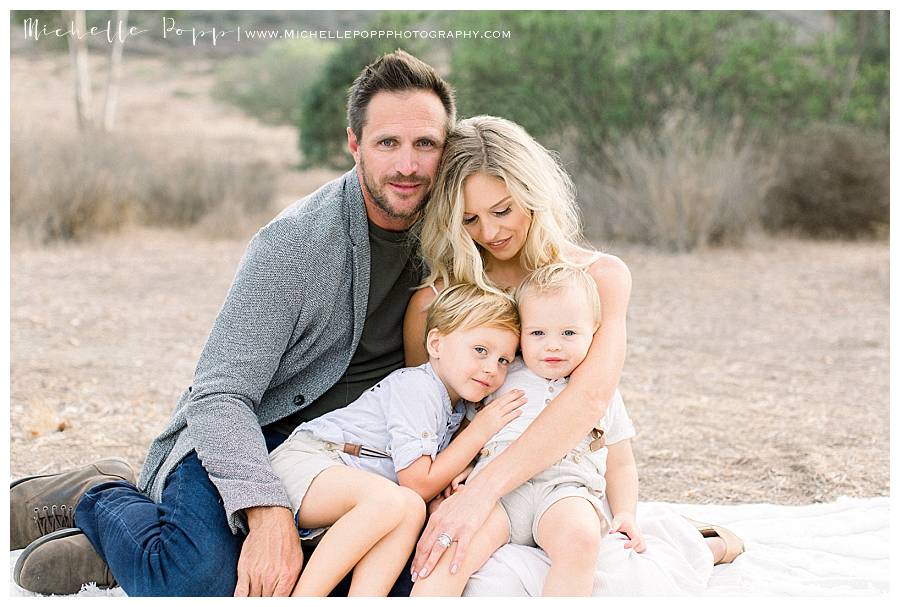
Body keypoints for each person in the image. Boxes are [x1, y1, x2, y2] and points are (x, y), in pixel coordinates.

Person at [11, 49, 456, 597]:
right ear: (354, 143)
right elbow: (220, 395)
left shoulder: (459, 235)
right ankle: (102, 494)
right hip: (253, 430)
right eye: (388, 142)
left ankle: (154, 543)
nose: (407, 165)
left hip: (355, 447)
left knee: (409, 573)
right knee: (202, 579)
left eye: (425, 144)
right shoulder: (292, 244)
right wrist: (266, 512)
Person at [403, 115, 744, 584]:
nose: (489, 231)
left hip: (562, 482)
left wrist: (481, 492)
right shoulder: (436, 303)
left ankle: (704, 542)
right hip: (477, 479)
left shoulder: (600, 278)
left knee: (613, 560)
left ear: (533, 194)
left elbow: (588, 402)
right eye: (469, 219)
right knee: (446, 555)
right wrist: (448, 492)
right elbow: (424, 414)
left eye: (503, 210)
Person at [268, 283, 524, 596]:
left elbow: (420, 488)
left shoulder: (455, 407)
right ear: (437, 343)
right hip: (310, 463)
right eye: (481, 350)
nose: (491, 369)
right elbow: (417, 480)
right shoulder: (418, 388)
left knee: (410, 508)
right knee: (396, 499)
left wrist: (465, 469)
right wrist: (480, 430)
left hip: (359, 496)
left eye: (504, 361)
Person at [412, 263, 642, 596]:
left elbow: (622, 462)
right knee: (452, 545)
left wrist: (625, 513)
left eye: (568, 333)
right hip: (500, 495)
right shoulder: (502, 376)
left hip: (565, 490)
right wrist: (463, 469)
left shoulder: (598, 389)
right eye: (538, 333)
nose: (552, 346)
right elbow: (469, 428)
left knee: (581, 538)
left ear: (593, 330)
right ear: (521, 334)